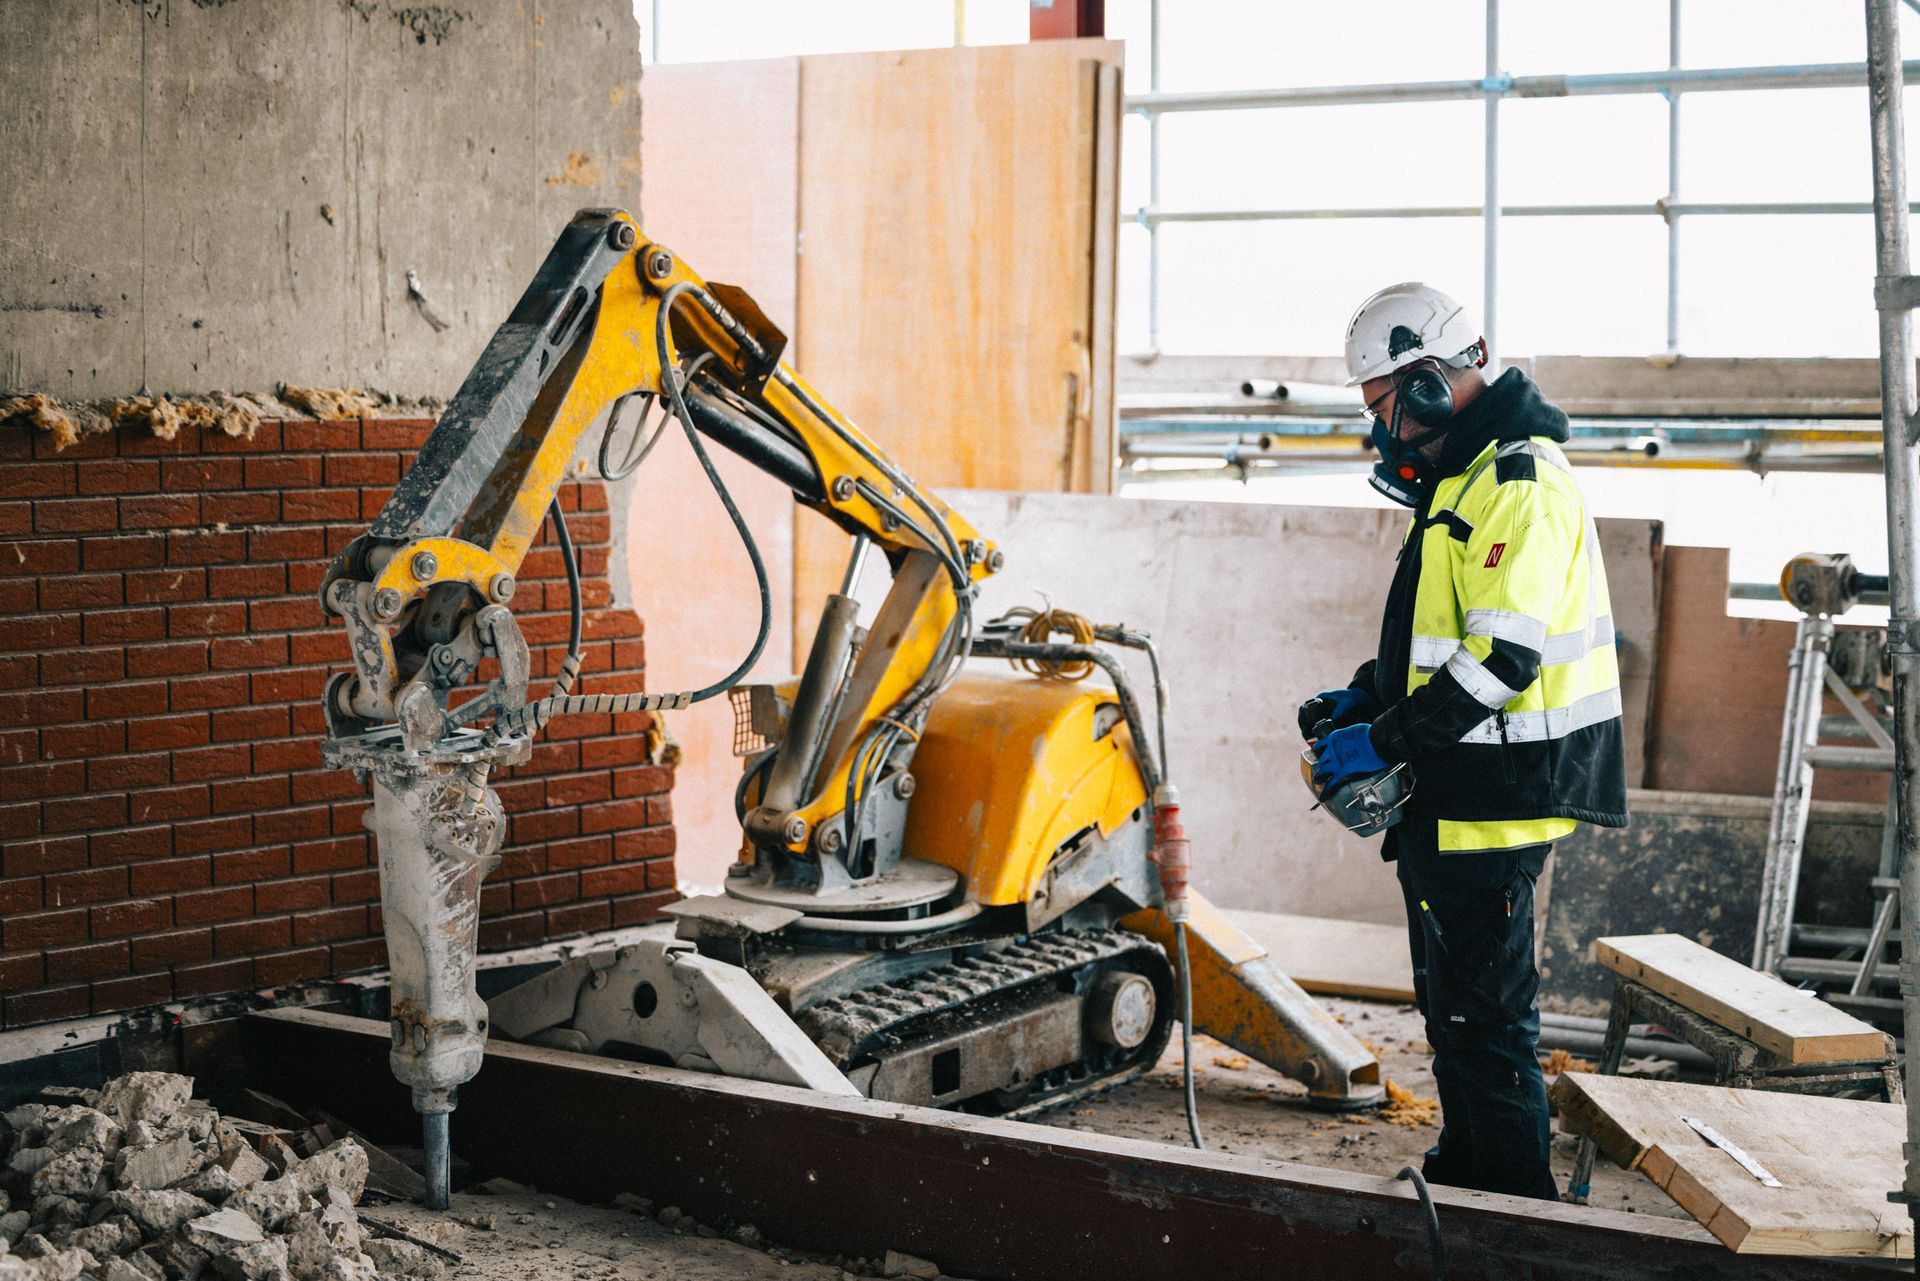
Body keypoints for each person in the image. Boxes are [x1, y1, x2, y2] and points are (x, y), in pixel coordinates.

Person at [1299, 282, 1628, 1202]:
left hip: (1497, 793)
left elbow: (1500, 661)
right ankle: (1469, 1166)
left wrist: (1384, 741)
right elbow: (1435, 637)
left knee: (1488, 1019)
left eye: (1385, 407)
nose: (1384, 432)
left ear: (1434, 383)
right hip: (1458, 787)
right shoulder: (1467, 478)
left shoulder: (1519, 481)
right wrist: (1362, 700)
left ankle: (1516, 1206)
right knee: (1453, 1010)